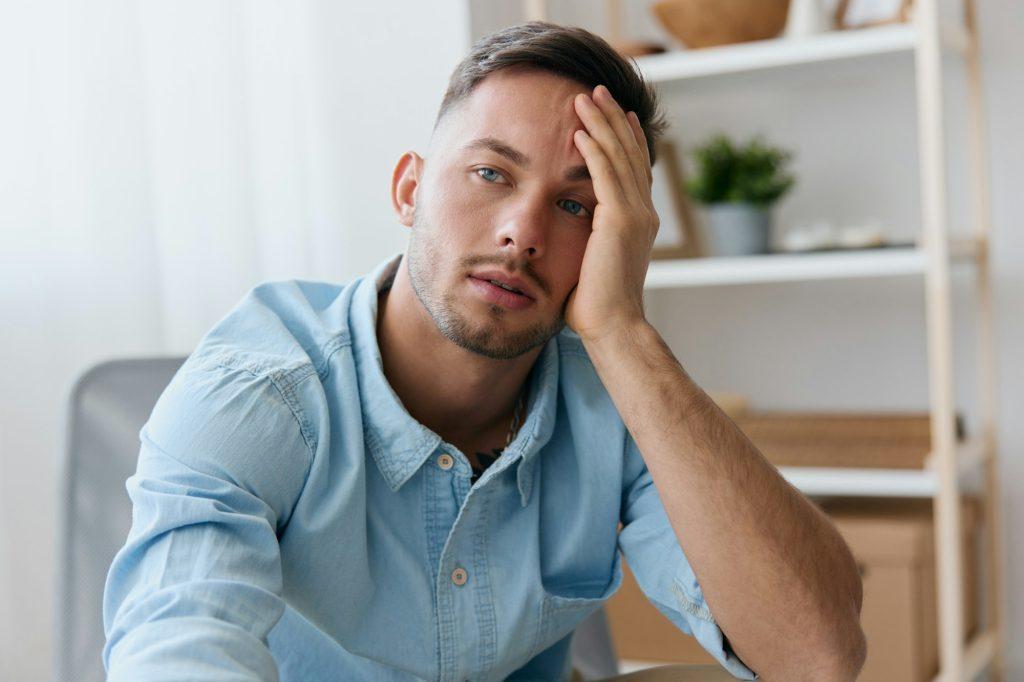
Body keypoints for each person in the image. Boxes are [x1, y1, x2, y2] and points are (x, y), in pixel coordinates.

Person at [102, 21, 866, 681]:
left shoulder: (614, 400)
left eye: (576, 205)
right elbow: (179, 642)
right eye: (490, 173)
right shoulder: (260, 390)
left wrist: (624, 333)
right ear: (410, 190)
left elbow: (817, 657)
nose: (523, 232)